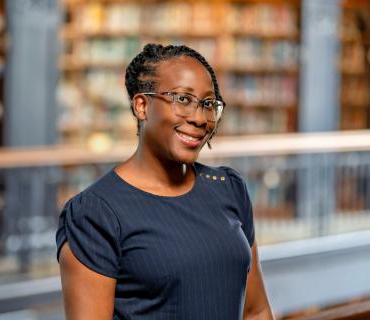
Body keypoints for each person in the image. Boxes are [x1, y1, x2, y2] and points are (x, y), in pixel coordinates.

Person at [56, 43, 274, 319]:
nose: (199, 118)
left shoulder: (229, 187)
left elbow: (257, 312)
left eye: (208, 104)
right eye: (183, 99)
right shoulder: (95, 213)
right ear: (142, 105)